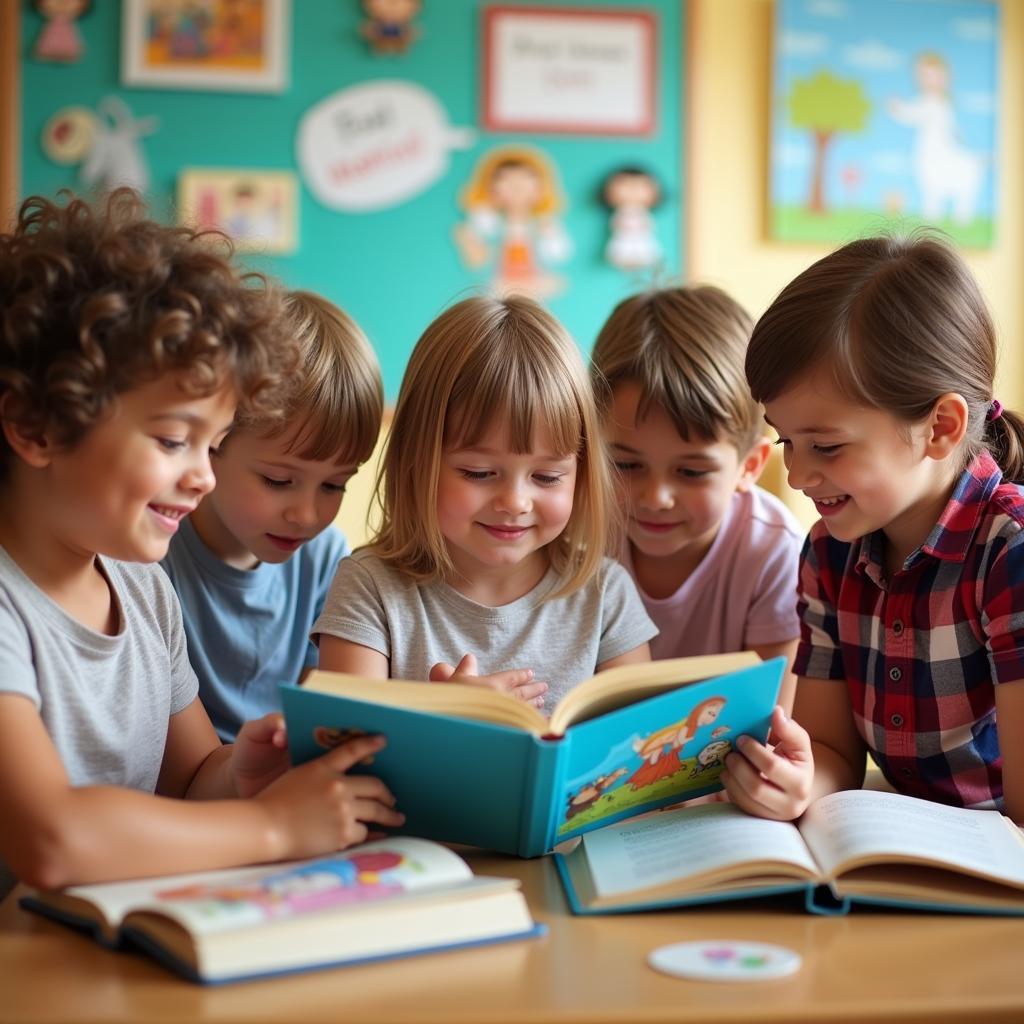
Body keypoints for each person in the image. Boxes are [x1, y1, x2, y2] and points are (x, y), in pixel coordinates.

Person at [0, 192, 402, 898]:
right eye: (172, 439)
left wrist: (243, 775)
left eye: (214, 446)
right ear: (37, 427)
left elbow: (186, 781)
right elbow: (51, 840)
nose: (203, 475)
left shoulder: (139, 586)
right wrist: (272, 829)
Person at [725, 233, 1024, 826]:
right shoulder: (828, 553)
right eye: (786, 439)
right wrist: (800, 782)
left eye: (827, 445)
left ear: (938, 427)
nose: (798, 471)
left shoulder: (1009, 552)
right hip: (898, 845)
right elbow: (834, 752)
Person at [315, 294, 657, 712]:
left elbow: (635, 744)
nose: (515, 502)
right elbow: (341, 748)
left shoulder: (605, 594)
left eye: (547, 477)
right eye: (478, 473)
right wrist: (442, 719)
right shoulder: (369, 588)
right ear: (416, 463)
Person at [161, 290, 383, 741]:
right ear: (212, 444)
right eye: (278, 481)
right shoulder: (154, 556)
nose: (306, 515)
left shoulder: (325, 559)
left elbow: (321, 722)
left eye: (334, 485)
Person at [591, 286, 803, 712]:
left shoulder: (773, 552)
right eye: (625, 465)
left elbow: (771, 719)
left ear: (750, 465)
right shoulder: (575, 535)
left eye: (691, 472)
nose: (656, 498)